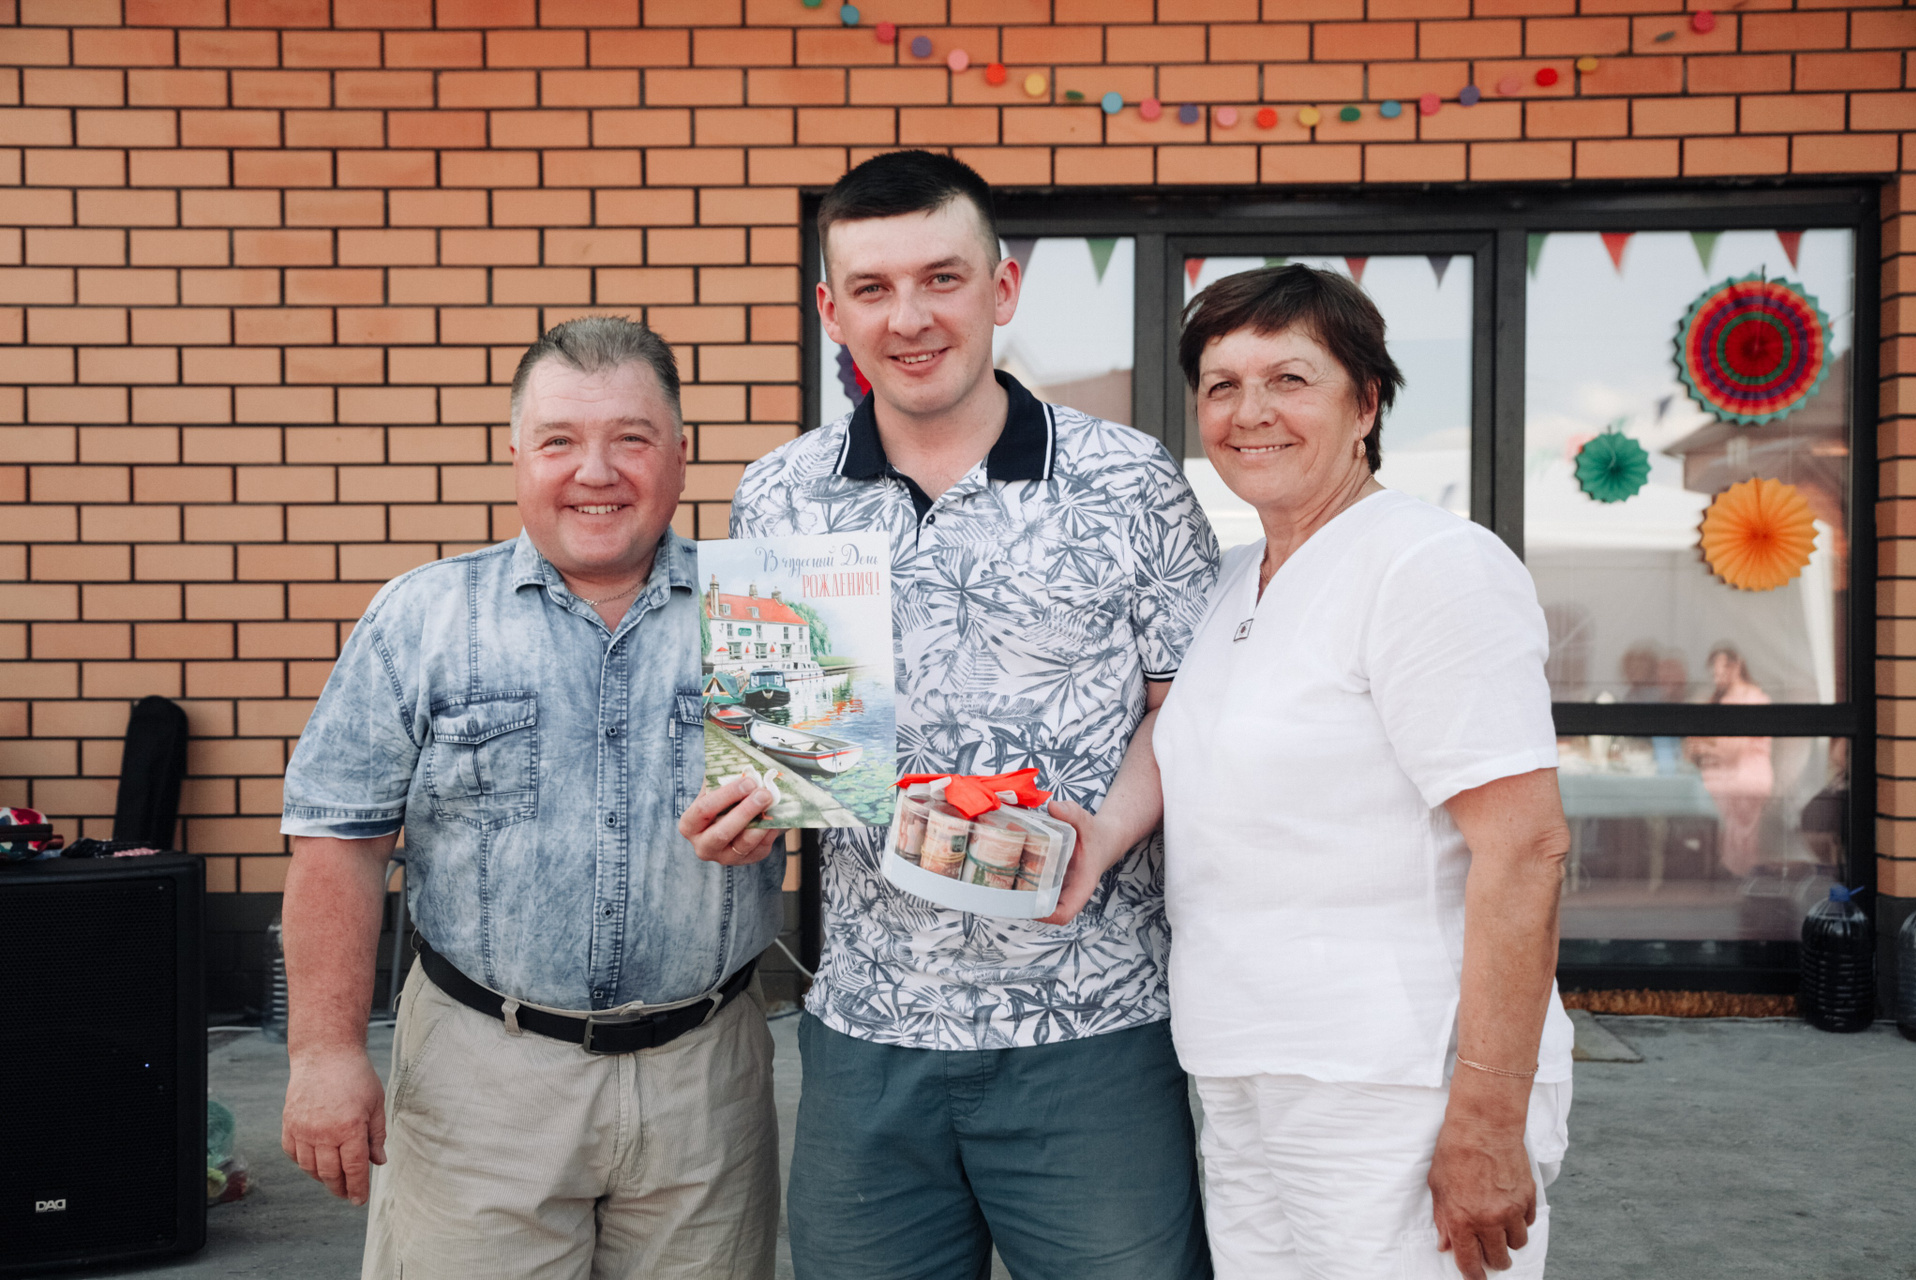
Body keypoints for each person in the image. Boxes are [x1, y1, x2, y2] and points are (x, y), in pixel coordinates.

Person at [683, 150, 1219, 1280]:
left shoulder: (1131, 481)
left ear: (1002, 289)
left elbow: (1190, 712)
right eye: (872, 288)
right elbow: (795, 741)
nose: (910, 317)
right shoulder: (780, 493)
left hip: (1093, 1023)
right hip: (866, 1031)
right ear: (831, 311)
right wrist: (757, 812)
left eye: (942, 278)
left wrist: (1104, 834)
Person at [1048, 264, 1576, 1280]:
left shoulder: (1428, 566)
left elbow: (1527, 849)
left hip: (1395, 1079)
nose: (1250, 413)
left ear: (1366, 401)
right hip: (1243, 1060)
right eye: (1221, 385)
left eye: (1289, 379)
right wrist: (1100, 833)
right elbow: (1184, 736)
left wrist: (1487, 1115)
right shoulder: (1232, 581)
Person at [279, 318, 784, 1280]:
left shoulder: (764, 614)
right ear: (516, 456)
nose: (596, 471)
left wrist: (782, 818)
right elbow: (339, 842)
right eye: (560, 440)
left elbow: (831, 796)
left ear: (682, 456)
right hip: (480, 1083)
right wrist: (323, 1054)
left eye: (631, 438)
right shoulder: (421, 617)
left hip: (706, 1089)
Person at [1686, 643, 1774, 876]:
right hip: (1721, 774)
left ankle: (1736, 873)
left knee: (1738, 832)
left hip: (1744, 775)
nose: (1716, 678)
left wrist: (1705, 746)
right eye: (1713, 674)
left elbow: (1734, 748)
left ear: (1735, 667)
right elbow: (1696, 741)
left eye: (1720, 671)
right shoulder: (1721, 699)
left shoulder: (1752, 699)